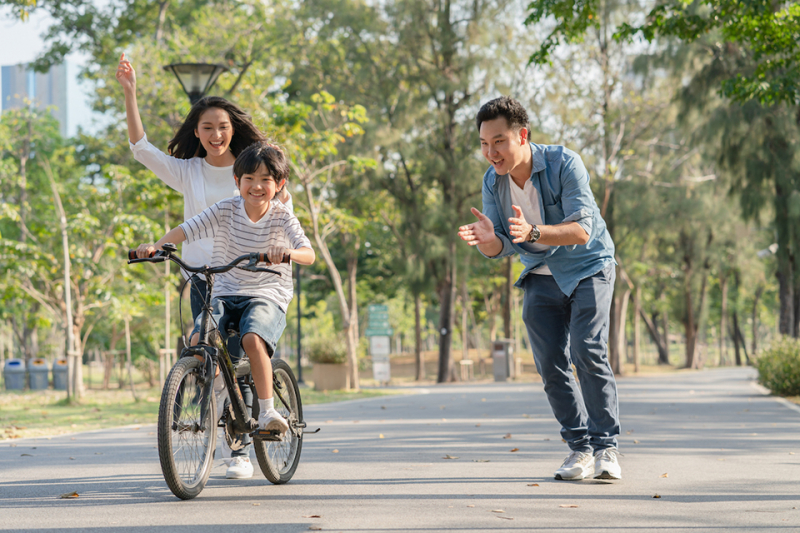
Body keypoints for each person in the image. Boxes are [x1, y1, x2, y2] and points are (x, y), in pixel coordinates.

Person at [116, 53, 291, 479]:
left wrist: (276, 250)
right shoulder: (188, 171)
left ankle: (241, 451)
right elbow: (141, 149)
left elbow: (282, 212)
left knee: (239, 351)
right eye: (208, 127)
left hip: (249, 276)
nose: (216, 134)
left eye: (223, 127)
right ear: (197, 132)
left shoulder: (253, 173)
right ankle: (209, 423)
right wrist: (130, 93)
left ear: (234, 132)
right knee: (203, 348)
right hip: (202, 278)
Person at [458, 96, 621, 481]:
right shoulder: (492, 182)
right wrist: (487, 239)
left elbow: (581, 231)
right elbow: (500, 246)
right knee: (549, 363)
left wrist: (534, 231)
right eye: (484, 144)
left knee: (587, 350)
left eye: (498, 141)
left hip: (588, 267)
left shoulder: (565, 163)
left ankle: (606, 446)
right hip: (540, 273)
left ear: (522, 135)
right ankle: (580, 448)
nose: (490, 152)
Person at [134, 141, 315, 464]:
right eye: (248, 178)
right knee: (197, 340)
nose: (256, 186)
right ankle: (220, 392)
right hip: (225, 289)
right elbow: (188, 229)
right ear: (237, 181)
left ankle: (268, 411)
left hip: (267, 292)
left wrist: (286, 253)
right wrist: (157, 246)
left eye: (265, 180)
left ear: (279, 185)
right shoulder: (225, 209)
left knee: (251, 338)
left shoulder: (281, 216)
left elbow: (308, 253)